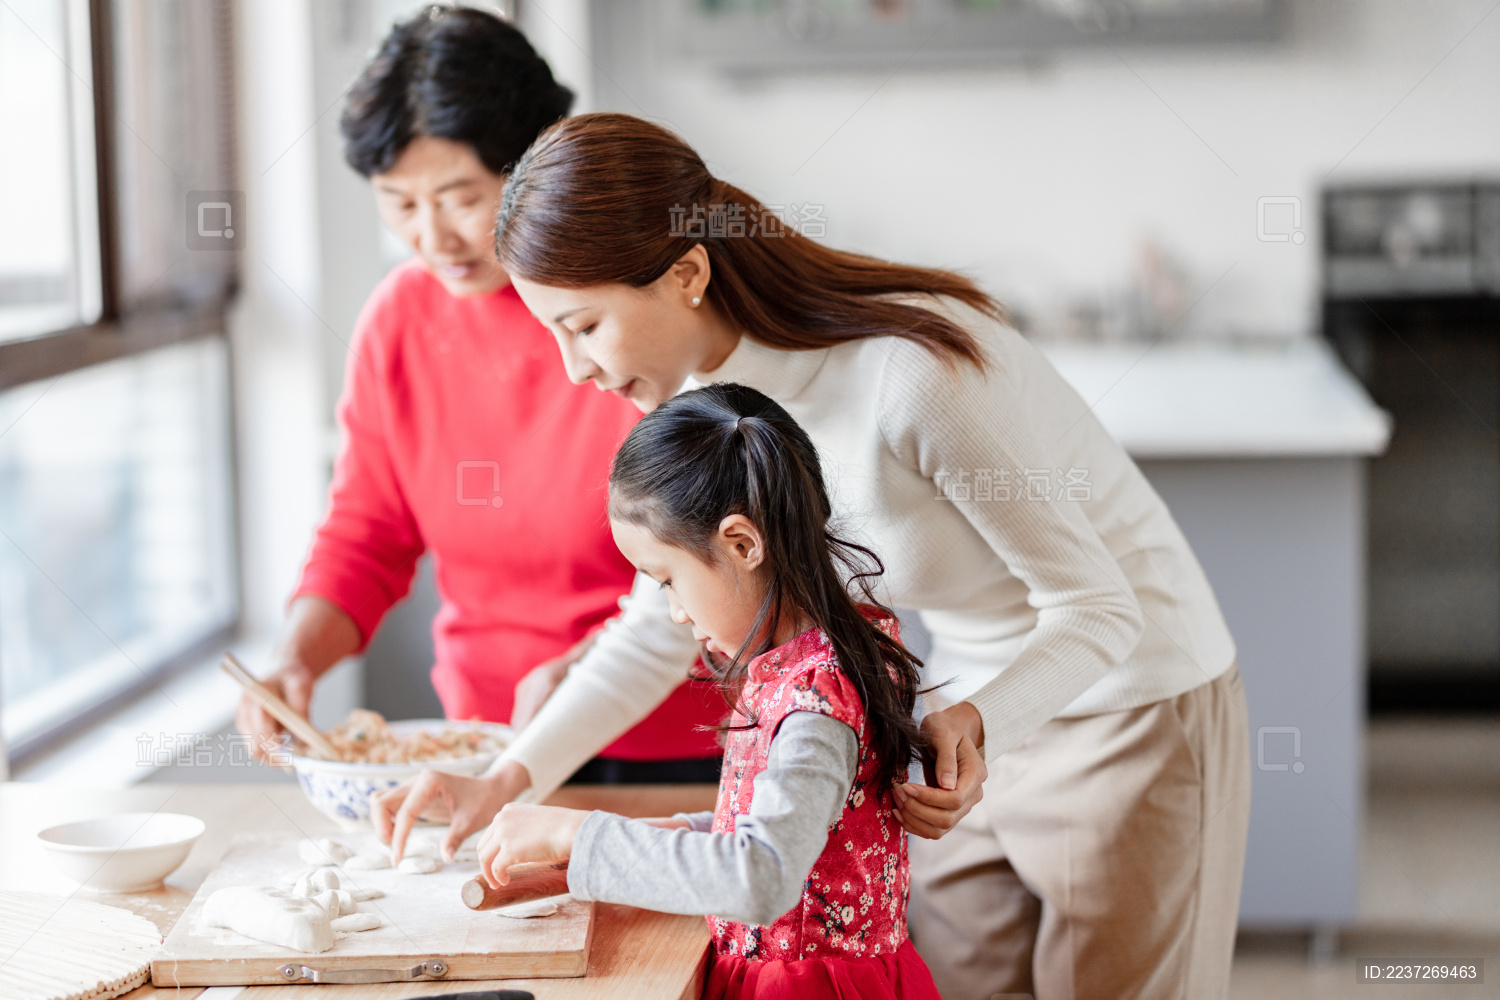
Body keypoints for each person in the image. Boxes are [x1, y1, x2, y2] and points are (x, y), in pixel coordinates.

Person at [460, 112, 1253, 1000]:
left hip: (1129, 700)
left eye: (585, 326)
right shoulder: (704, 411)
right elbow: (660, 624)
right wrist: (503, 779)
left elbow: (1100, 607)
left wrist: (981, 719)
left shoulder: (912, 373)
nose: (575, 370)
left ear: (686, 274)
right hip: (954, 718)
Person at [233, 11, 725, 851]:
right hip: (483, 752)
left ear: (539, 162)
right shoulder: (399, 320)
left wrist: (592, 668)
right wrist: (297, 658)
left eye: (460, 197)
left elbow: (727, 543)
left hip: (683, 740)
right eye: (399, 204)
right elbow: (367, 532)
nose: (433, 237)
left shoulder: (632, 312)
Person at [477, 382, 942, 1000]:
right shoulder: (823, 658)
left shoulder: (814, 706)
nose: (672, 612)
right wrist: (673, 834)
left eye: (667, 579)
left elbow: (761, 876)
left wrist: (578, 834)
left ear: (743, 544)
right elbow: (791, 830)